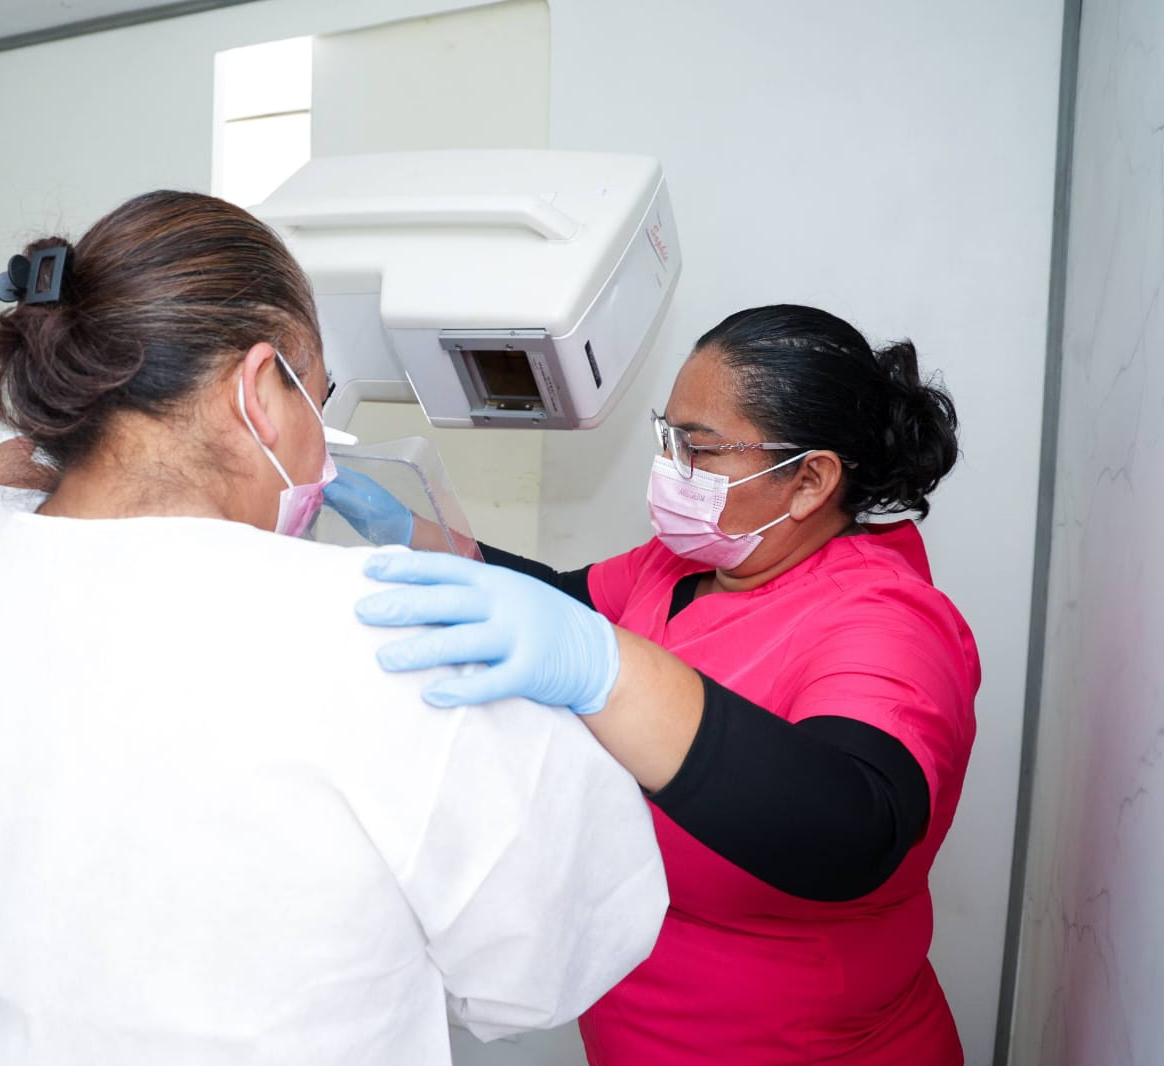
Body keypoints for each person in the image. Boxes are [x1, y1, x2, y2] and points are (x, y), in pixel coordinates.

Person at [0, 190, 667, 1066]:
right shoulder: (394, 639)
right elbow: (551, 968)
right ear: (260, 389)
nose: (325, 450)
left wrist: (14, 467)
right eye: (320, 396)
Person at [329, 305, 980, 1065]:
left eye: (697, 450)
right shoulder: (691, 566)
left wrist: (611, 670)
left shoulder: (886, 620)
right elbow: (556, 597)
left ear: (810, 479)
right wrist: (406, 530)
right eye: (666, 437)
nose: (670, 467)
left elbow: (852, 830)